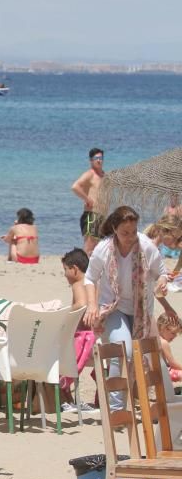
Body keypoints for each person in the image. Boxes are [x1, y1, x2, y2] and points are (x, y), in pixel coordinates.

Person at [83, 206, 173, 410]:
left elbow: (161, 272)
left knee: (144, 358)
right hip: (113, 309)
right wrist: (91, 306)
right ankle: (116, 409)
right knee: (122, 350)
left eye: (133, 232)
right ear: (114, 228)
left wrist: (162, 283)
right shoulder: (103, 248)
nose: (130, 237)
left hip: (142, 311)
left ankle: (142, 401)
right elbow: (89, 277)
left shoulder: (146, 245)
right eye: (125, 233)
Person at [58, 248, 96, 411]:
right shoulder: (94, 282)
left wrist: (65, 314)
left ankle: (64, 397)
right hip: (97, 335)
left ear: (74, 269)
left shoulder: (78, 283)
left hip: (85, 338)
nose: (65, 274)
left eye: (65, 270)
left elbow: (81, 304)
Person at [71, 147, 105, 255]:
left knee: (98, 248)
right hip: (91, 215)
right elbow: (75, 187)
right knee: (89, 247)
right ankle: (83, 270)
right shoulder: (90, 174)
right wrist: (87, 199)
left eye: (101, 158)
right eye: (96, 158)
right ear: (91, 160)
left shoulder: (104, 175)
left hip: (101, 216)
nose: (99, 160)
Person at [157, 314, 182, 385]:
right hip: (163, 373)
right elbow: (173, 364)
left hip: (158, 372)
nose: (175, 336)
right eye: (173, 333)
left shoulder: (156, 340)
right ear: (163, 328)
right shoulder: (164, 343)